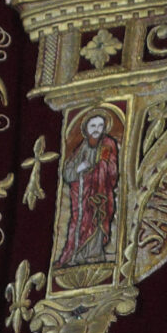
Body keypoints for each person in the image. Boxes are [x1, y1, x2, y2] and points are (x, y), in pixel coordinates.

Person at [59, 114, 120, 266]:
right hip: (80, 197)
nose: (96, 130)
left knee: (96, 220)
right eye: (93, 126)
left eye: (100, 126)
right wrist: (79, 168)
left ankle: (94, 255)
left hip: (99, 193)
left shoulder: (107, 144)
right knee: (78, 223)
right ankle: (76, 256)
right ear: (86, 129)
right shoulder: (82, 148)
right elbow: (67, 173)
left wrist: (95, 171)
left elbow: (110, 169)